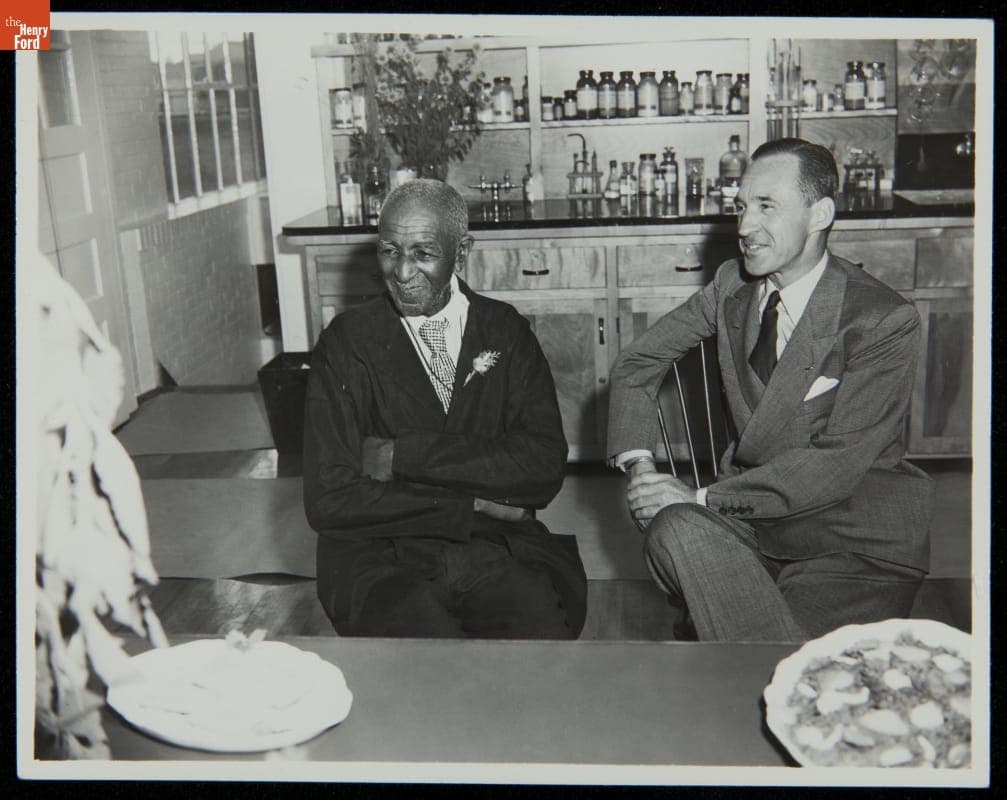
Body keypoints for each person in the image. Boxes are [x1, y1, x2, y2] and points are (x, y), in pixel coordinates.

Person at [607, 138, 934, 642]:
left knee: (773, 650)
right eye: (740, 207)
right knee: (672, 527)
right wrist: (642, 469)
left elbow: (833, 467)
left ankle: (753, 644)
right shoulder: (730, 286)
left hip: (846, 542)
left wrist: (700, 495)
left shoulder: (881, 319)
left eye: (766, 207)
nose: (742, 227)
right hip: (754, 527)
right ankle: (758, 641)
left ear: (819, 213)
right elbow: (638, 363)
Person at [304, 179, 587, 638]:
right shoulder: (347, 342)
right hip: (379, 557)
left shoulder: (505, 331)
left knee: (540, 649)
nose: (401, 271)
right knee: (424, 669)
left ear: (461, 251)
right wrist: (473, 501)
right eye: (390, 251)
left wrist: (403, 457)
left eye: (423, 252)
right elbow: (329, 498)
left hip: (493, 546)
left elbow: (541, 469)